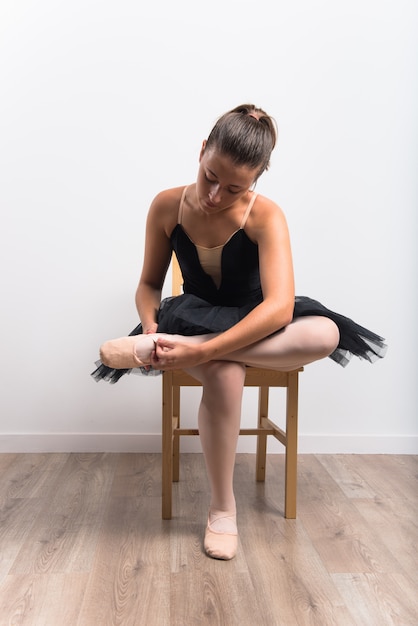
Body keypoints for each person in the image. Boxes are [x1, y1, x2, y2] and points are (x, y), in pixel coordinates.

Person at [92, 104, 386, 560]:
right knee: (228, 374)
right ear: (203, 149)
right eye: (211, 176)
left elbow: (278, 307)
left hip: (253, 320)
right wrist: (151, 325)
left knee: (325, 334)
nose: (215, 195)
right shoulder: (167, 205)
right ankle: (222, 510)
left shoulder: (266, 216)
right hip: (193, 314)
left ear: (257, 179)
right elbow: (150, 283)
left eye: (235, 187)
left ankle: (192, 350)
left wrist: (196, 353)